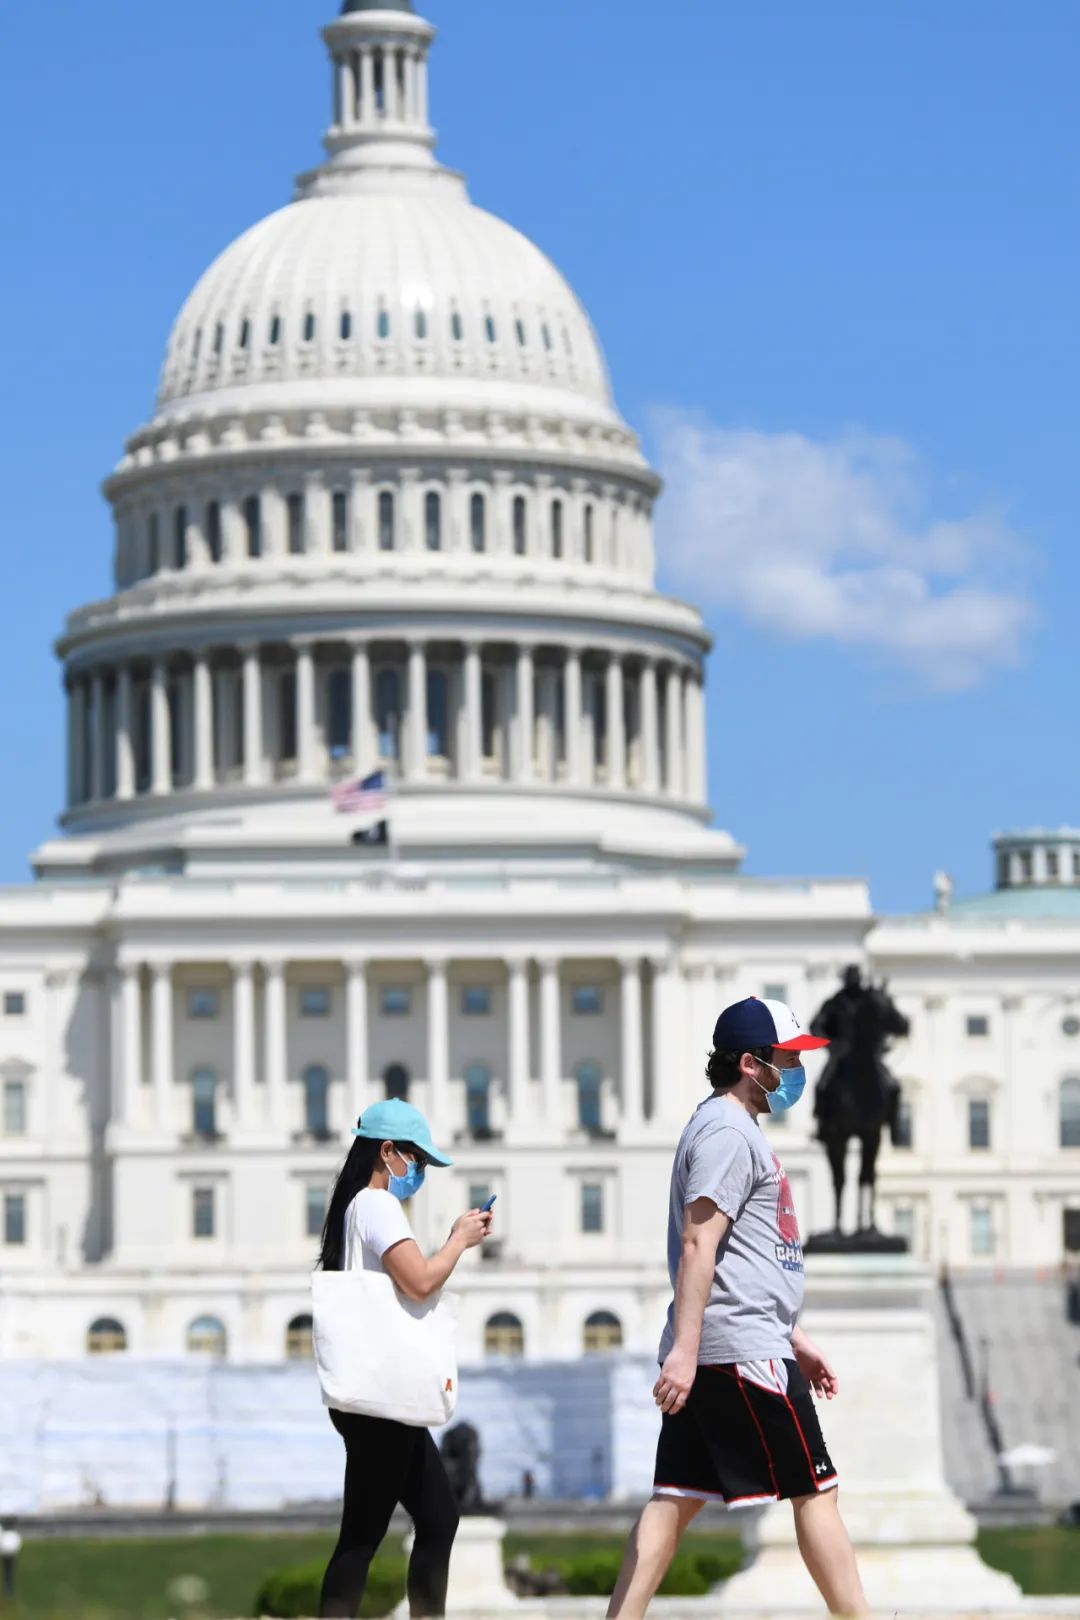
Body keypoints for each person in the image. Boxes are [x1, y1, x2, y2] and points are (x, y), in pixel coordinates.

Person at [607, 997, 869, 1620]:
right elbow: (701, 1242)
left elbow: (749, 1255)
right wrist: (686, 1352)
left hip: (743, 1339)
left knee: (674, 1498)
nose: (794, 1073)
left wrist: (794, 1336)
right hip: (741, 1351)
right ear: (751, 1064)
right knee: (816, 1490)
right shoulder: (727, 1131)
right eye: (786, 1059)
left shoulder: (730, 1127)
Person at [316, 1098, 493, 1619]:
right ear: (387, 1151)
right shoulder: (376, 1205)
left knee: (438, 1518)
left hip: (380, 1395)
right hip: (381, 1400)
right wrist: (458, 1241)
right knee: (363, 1536)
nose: (417, 1172)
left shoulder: (355, 1208)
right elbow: (418, 1281)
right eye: (415, 1159)